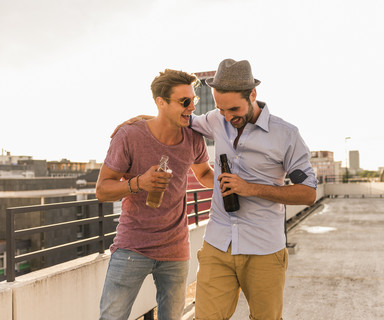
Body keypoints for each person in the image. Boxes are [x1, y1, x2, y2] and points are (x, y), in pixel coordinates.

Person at [113, 59, 317, 319]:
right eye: (220, 109)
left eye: (234, 109)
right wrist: (147, 120)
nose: (227, 117)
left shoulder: (286, 135)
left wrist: (250, 188)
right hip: (218, 245)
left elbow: (308, 193)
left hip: (264, 249)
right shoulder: (216, 120)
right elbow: (182, 119)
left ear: (252, 94)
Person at [96, 69, 214, 320]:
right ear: (161, 102)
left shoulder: (193, 137)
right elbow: (102, 189)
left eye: (193, 100)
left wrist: (238, 184)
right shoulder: (129, 135)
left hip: (176, 249)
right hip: (132, 247)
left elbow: (204, 174)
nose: (192, 106)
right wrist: (139, 182)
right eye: (185, 102)